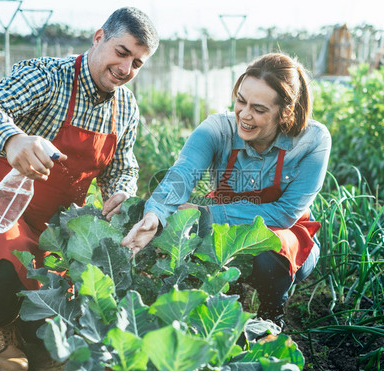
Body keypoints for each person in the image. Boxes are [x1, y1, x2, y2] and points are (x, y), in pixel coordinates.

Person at [0, 7, 158, 371]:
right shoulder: (48, 77)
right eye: (121, 53)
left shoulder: (125, 109)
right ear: (98, 37)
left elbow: (123, 166)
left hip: (49, 225)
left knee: (48, 306)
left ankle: (27, 329)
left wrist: (120, 192)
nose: (126, 69)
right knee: (5, 265)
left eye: (137, 63)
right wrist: (11, 139)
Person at [121, 52, 331, 328]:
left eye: (259, 109)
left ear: (285, 112)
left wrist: (207, 214)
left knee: (270, 258)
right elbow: (182, 175)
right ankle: (227, 296)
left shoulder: (312, 141)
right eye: (240, 101)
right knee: (191, 243)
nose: (244, 115)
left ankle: (271, 313)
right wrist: (155, 214)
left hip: (284, 228)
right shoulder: (217, 130)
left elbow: (283, 214)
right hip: (222, 216)